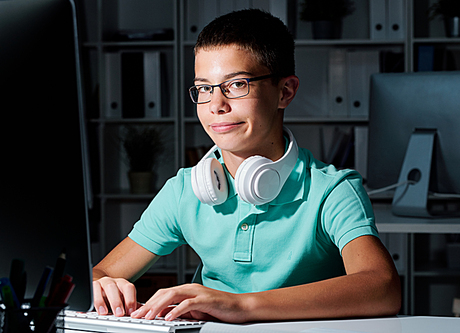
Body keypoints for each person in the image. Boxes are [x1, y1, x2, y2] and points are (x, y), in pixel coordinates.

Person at [92, 9, 401, 323]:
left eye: (237, 85)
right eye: (204, 88)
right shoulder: (185, 189)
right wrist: (105, 286)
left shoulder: (331, 190)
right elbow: (102, 272)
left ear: (285, 91)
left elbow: (383, 287)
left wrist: (239, 305)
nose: (216, 105)